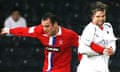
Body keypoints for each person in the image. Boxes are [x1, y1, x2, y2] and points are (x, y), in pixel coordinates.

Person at [1, 12, 80, 72]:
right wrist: (8, 30)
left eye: (47, 26)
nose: (44, 29)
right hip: (46, 70)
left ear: (55, 24)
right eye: (43, 26)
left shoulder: (69, 35)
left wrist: (83, 62)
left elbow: (83, 45)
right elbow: (25, 31)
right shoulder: (40, 30)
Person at [77, 1, 116, 72]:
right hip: (88, 68)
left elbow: (111, 41)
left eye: (103, 16)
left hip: (103, 67)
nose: (101, 19)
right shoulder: (89, 29)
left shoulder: (108, 27)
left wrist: (112, 49)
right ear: (92, 16)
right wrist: (102, 50)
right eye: (98, 16)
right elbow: (84, 48)